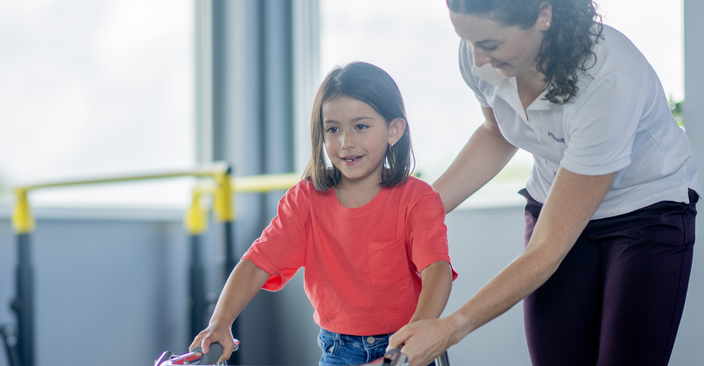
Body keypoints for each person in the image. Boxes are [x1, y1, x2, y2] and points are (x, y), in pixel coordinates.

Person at [386, 1, 699, 365]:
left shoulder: (610, 77)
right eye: (467, 40)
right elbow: (496, 132)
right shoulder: (480, 54)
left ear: (543, 16)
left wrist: (451, 328)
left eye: (489, 43)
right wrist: (412, 214)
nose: (477, 58)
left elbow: (548, 247)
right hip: (553, 198)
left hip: (645, 213)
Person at [189, 61, 456, 366]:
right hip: (338, 352)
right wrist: (220, 321)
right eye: (333, 129)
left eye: (361, 126)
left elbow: (437, 269)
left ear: (394, 130)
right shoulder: (304, 201)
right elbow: (255, 263)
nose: (346, 142)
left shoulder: (417, 198)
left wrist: (417, 335)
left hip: (404, 349)